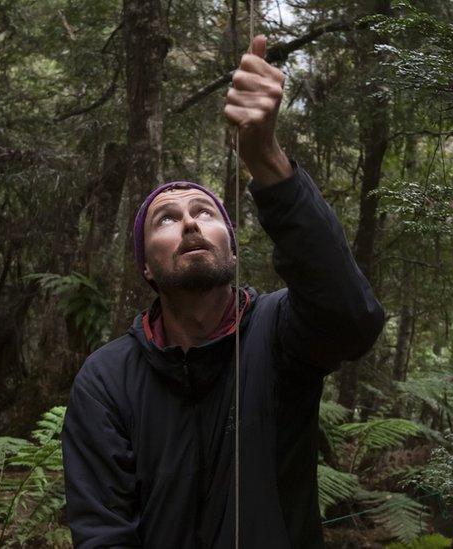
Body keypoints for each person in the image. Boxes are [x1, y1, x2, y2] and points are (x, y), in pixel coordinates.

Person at [62, 35, 384, 548]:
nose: (189, 221)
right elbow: (103, 534)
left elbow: (353, 318)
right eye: (166, 219)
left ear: (231, 248)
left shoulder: (279, 334)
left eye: (206, 212)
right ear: (146, 266)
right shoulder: (107, 380)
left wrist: (267, 159)